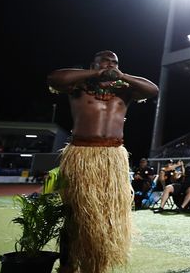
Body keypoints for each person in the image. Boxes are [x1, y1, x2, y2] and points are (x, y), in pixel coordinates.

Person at [48, 50, 158, 273]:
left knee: (107, 215)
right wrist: (95, 73)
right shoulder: (79, 86)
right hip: (81, 155)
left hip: (112, 157)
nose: (110, 65)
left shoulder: (125, 90)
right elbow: (54, 78)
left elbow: (153, 90)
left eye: (114, 62)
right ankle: (68, 265)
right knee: (75, 213)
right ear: (94, 64)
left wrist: (122, 75)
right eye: (105, 61)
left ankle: (97, 264)